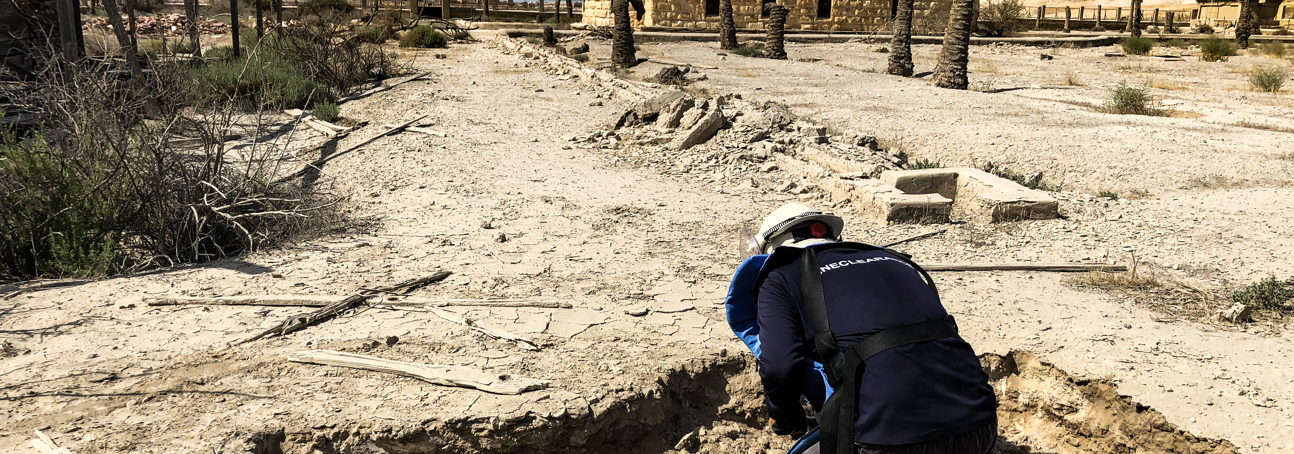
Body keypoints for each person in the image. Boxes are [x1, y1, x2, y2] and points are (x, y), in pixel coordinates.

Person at [724, 203, 997, 454]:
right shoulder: (895, 260)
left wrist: (787, 418)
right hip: (981, 426)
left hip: (889, 439)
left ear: (771, 249)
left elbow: (779, 366)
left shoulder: (780, 274)